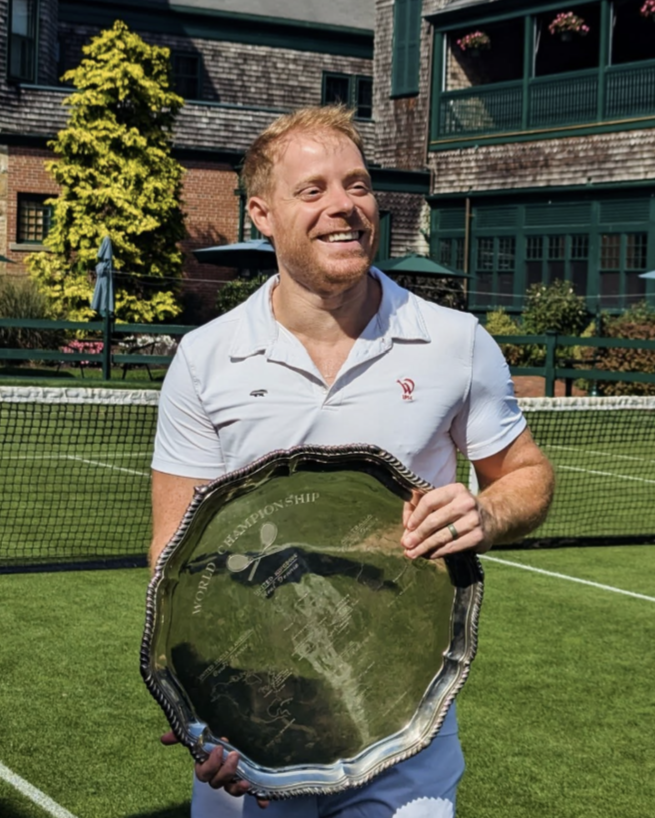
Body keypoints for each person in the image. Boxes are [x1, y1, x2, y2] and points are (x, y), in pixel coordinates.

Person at [150, 105, 554, 818]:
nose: (344, 206)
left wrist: (483, 513)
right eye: (313, 191)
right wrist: (194, 705)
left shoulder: (454, 341)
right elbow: (171, 550)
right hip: (250, 732)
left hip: (404, 725)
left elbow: (526, 475)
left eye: (357, 185)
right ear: (262, 213)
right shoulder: (205, 357)